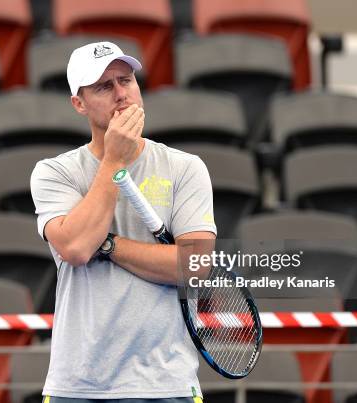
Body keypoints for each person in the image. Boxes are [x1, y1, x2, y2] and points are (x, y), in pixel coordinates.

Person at [30, 41, 217, 403]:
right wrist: (114, 161)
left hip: (167, 384)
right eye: (103, 86)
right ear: (78, 103)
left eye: (126, 80)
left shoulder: (185, 167)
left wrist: (109, 244)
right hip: (78, 386)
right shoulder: (54, 172)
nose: (121, 94)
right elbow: (77, 247)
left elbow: (194, 267)